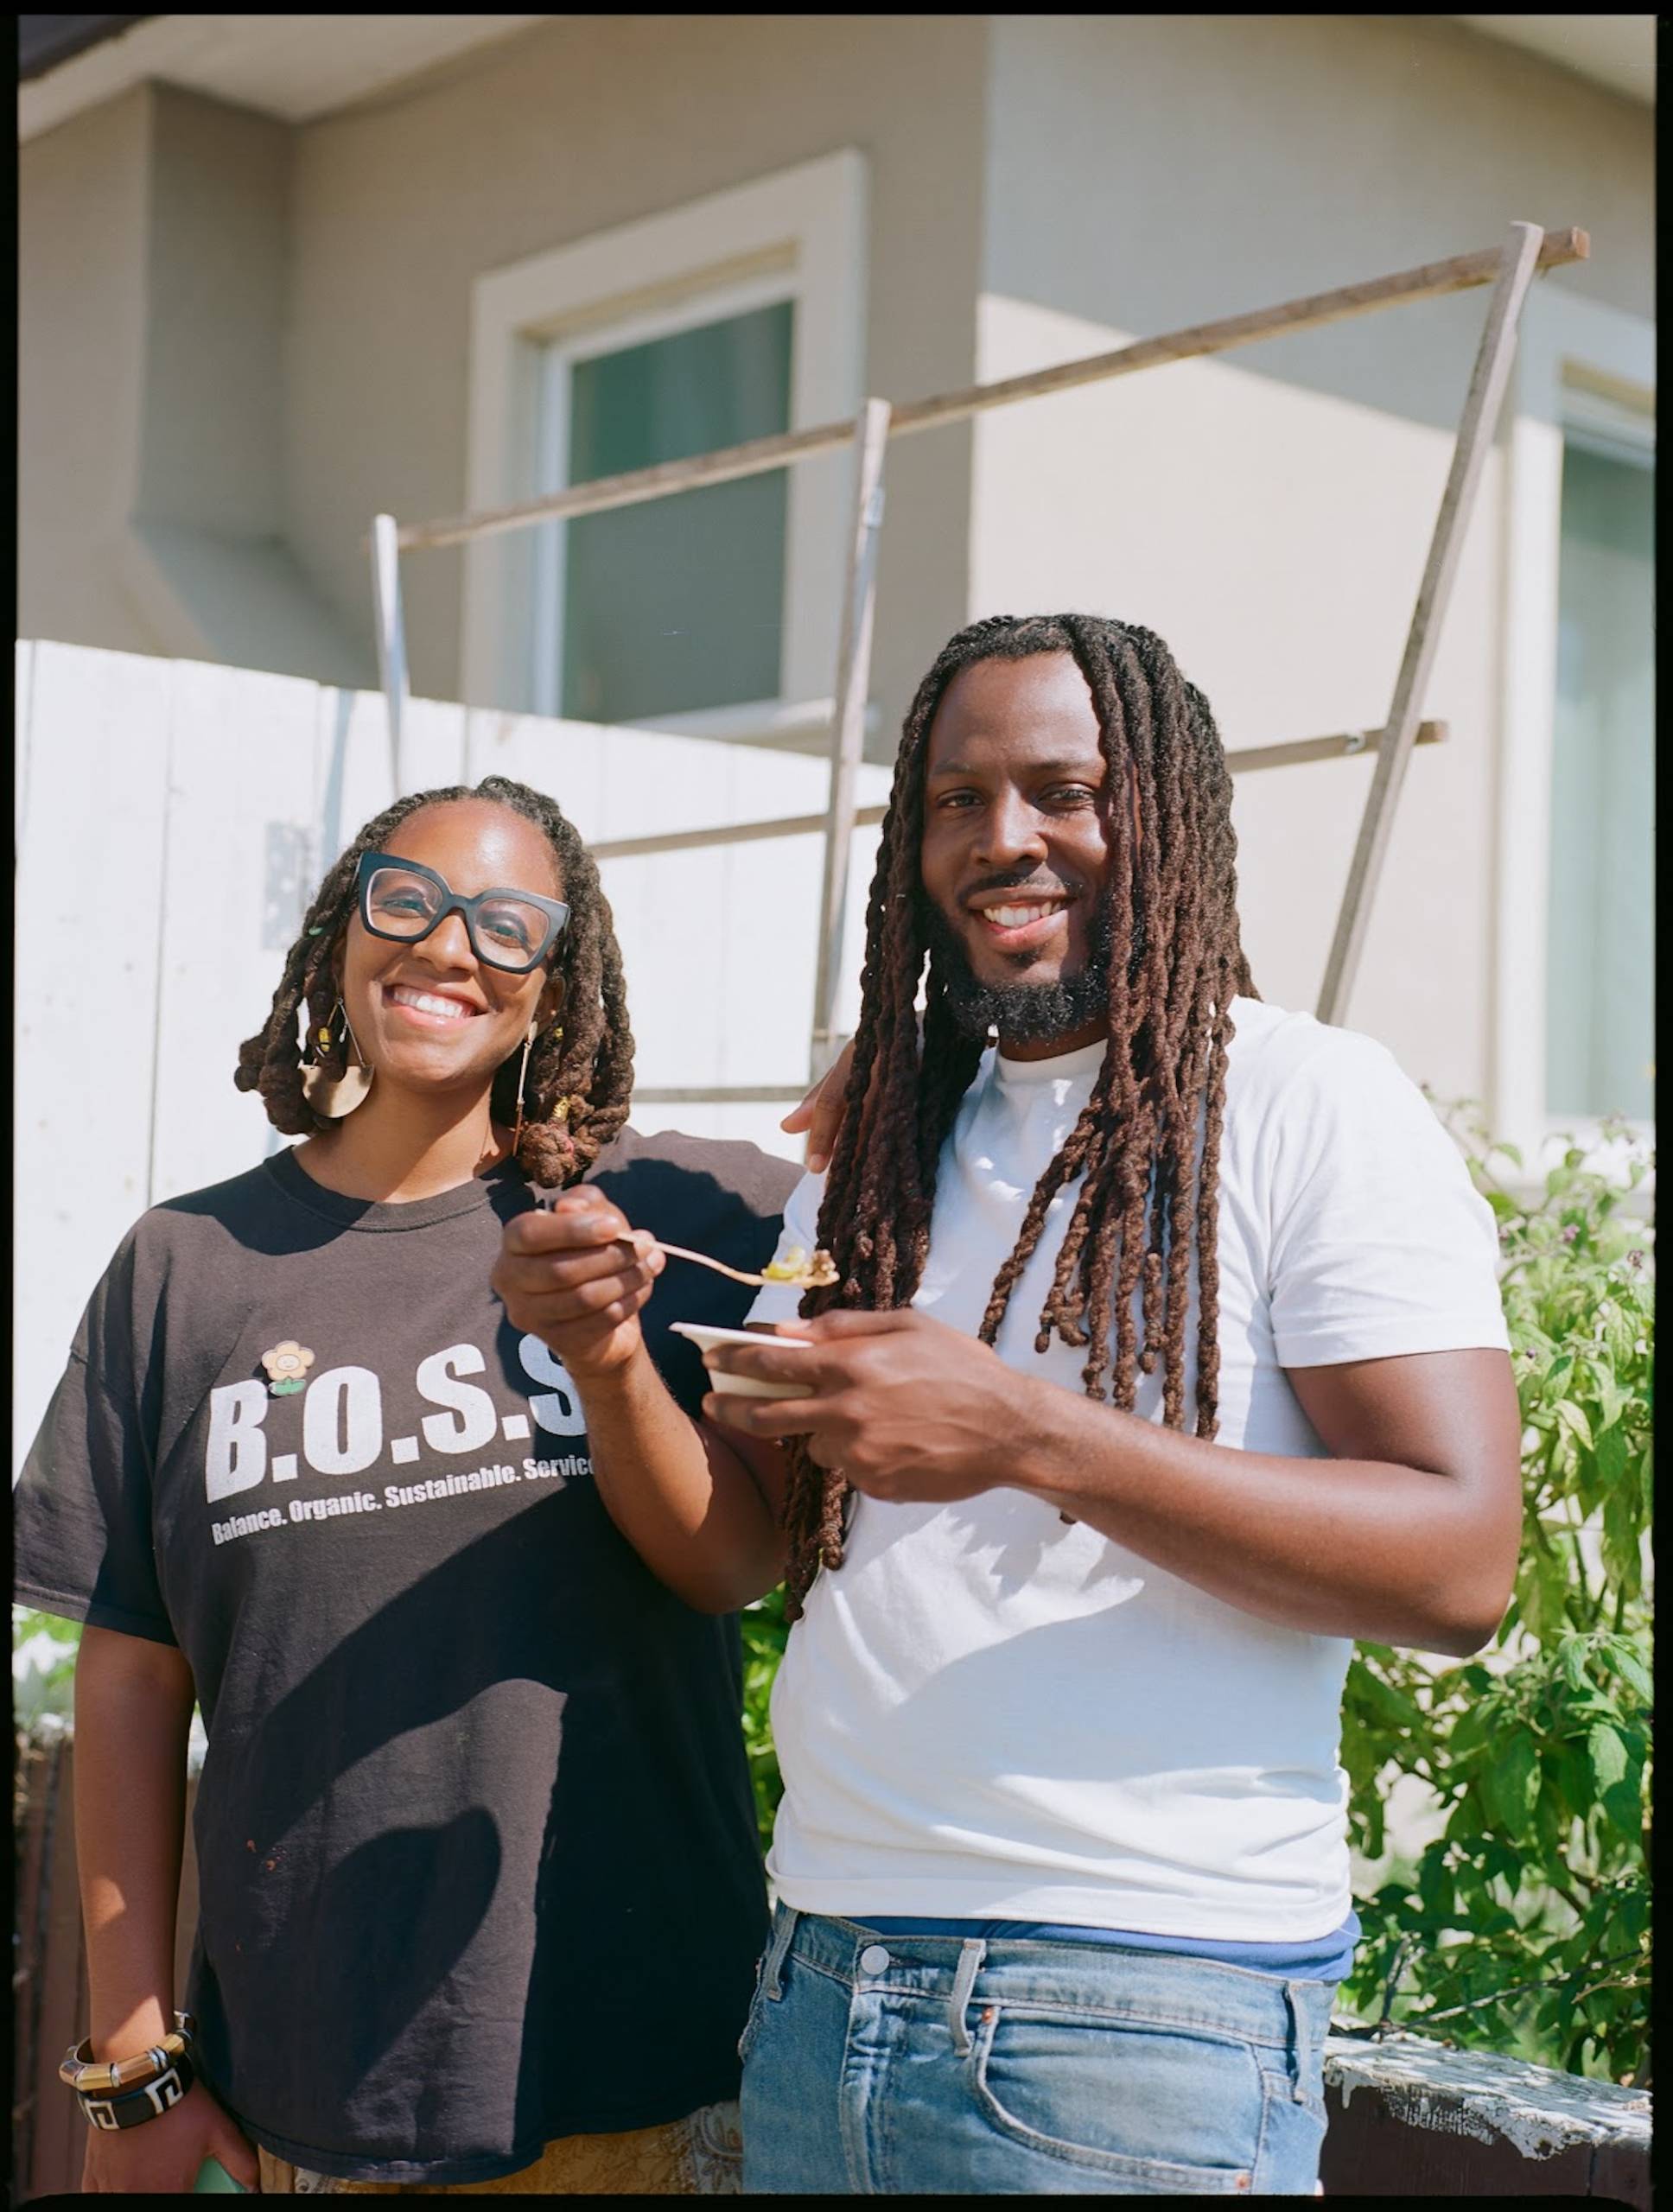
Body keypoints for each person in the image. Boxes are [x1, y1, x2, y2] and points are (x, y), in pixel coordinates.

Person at [499, 615, 1523, 2196]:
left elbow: (1460, 1568)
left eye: (1063, 788)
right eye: (955, 799)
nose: (1004, 839)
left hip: (1140, 2015)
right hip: (821, 1977)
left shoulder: (1315, 1101)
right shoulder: (889, 1136)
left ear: (1164, 813)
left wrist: (1029, 1434)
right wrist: (609, 1353)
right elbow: (734, 1560)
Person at [12, 774, 850, 2195]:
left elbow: (741, 1556)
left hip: (646, 2078)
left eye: (506, 925)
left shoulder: (685, 1219)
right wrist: (133, 2062)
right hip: (307, 2084)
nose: (449, 946)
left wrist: (897, 1068)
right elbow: (135, 1678)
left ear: (558, 979)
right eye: (406, 899)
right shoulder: (185, 1268)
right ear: (344, 926)